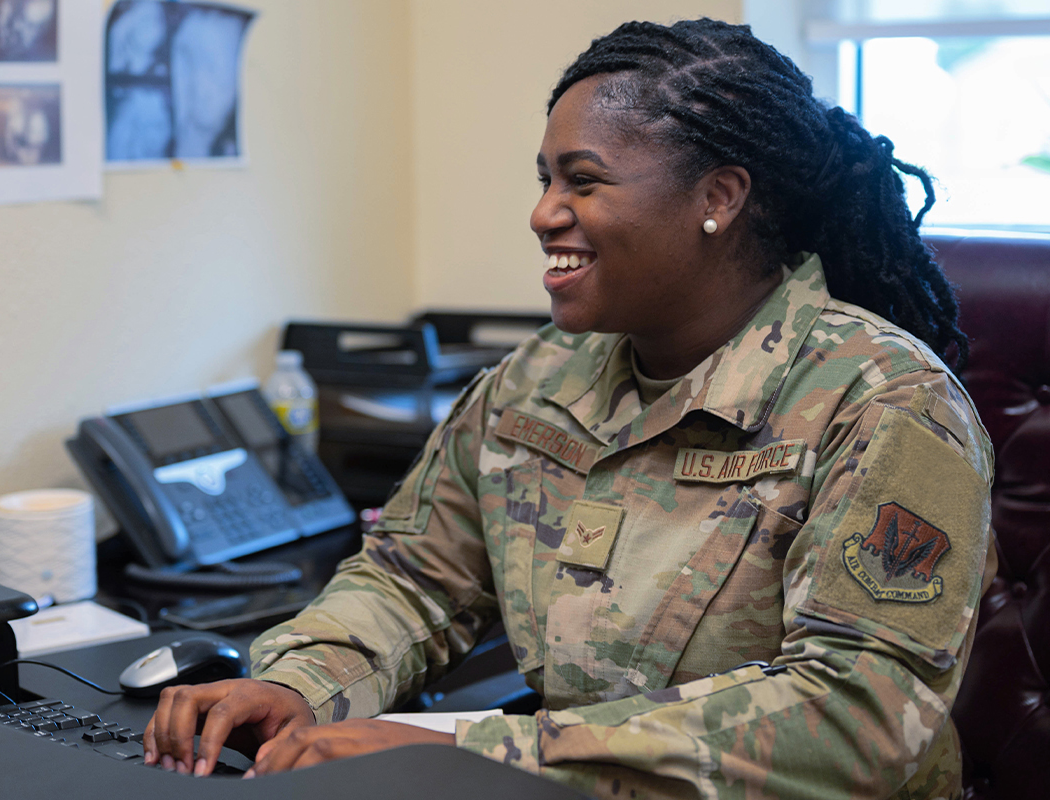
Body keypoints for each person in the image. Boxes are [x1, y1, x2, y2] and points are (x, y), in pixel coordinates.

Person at [143, 17, 995, 799]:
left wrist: (470, 752)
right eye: (547, 179)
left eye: (582, 181)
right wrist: (299, 684)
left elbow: (857, 715)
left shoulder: (886, 405)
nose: (544, 213)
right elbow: (414, 576)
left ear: (719, 197)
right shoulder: (540, 380)